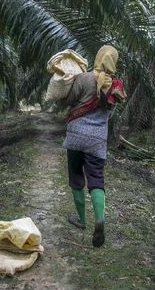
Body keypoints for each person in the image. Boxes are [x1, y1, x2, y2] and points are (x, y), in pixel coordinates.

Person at [62, 45, 127, 247]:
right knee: (96, 179)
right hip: (98, 139)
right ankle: (99, 220)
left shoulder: (84, 78)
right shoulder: (116, 86)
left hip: (76, 135)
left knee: (75, 176)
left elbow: (68, 100)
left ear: (98, 57)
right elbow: (111, 111)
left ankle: (82, 220)